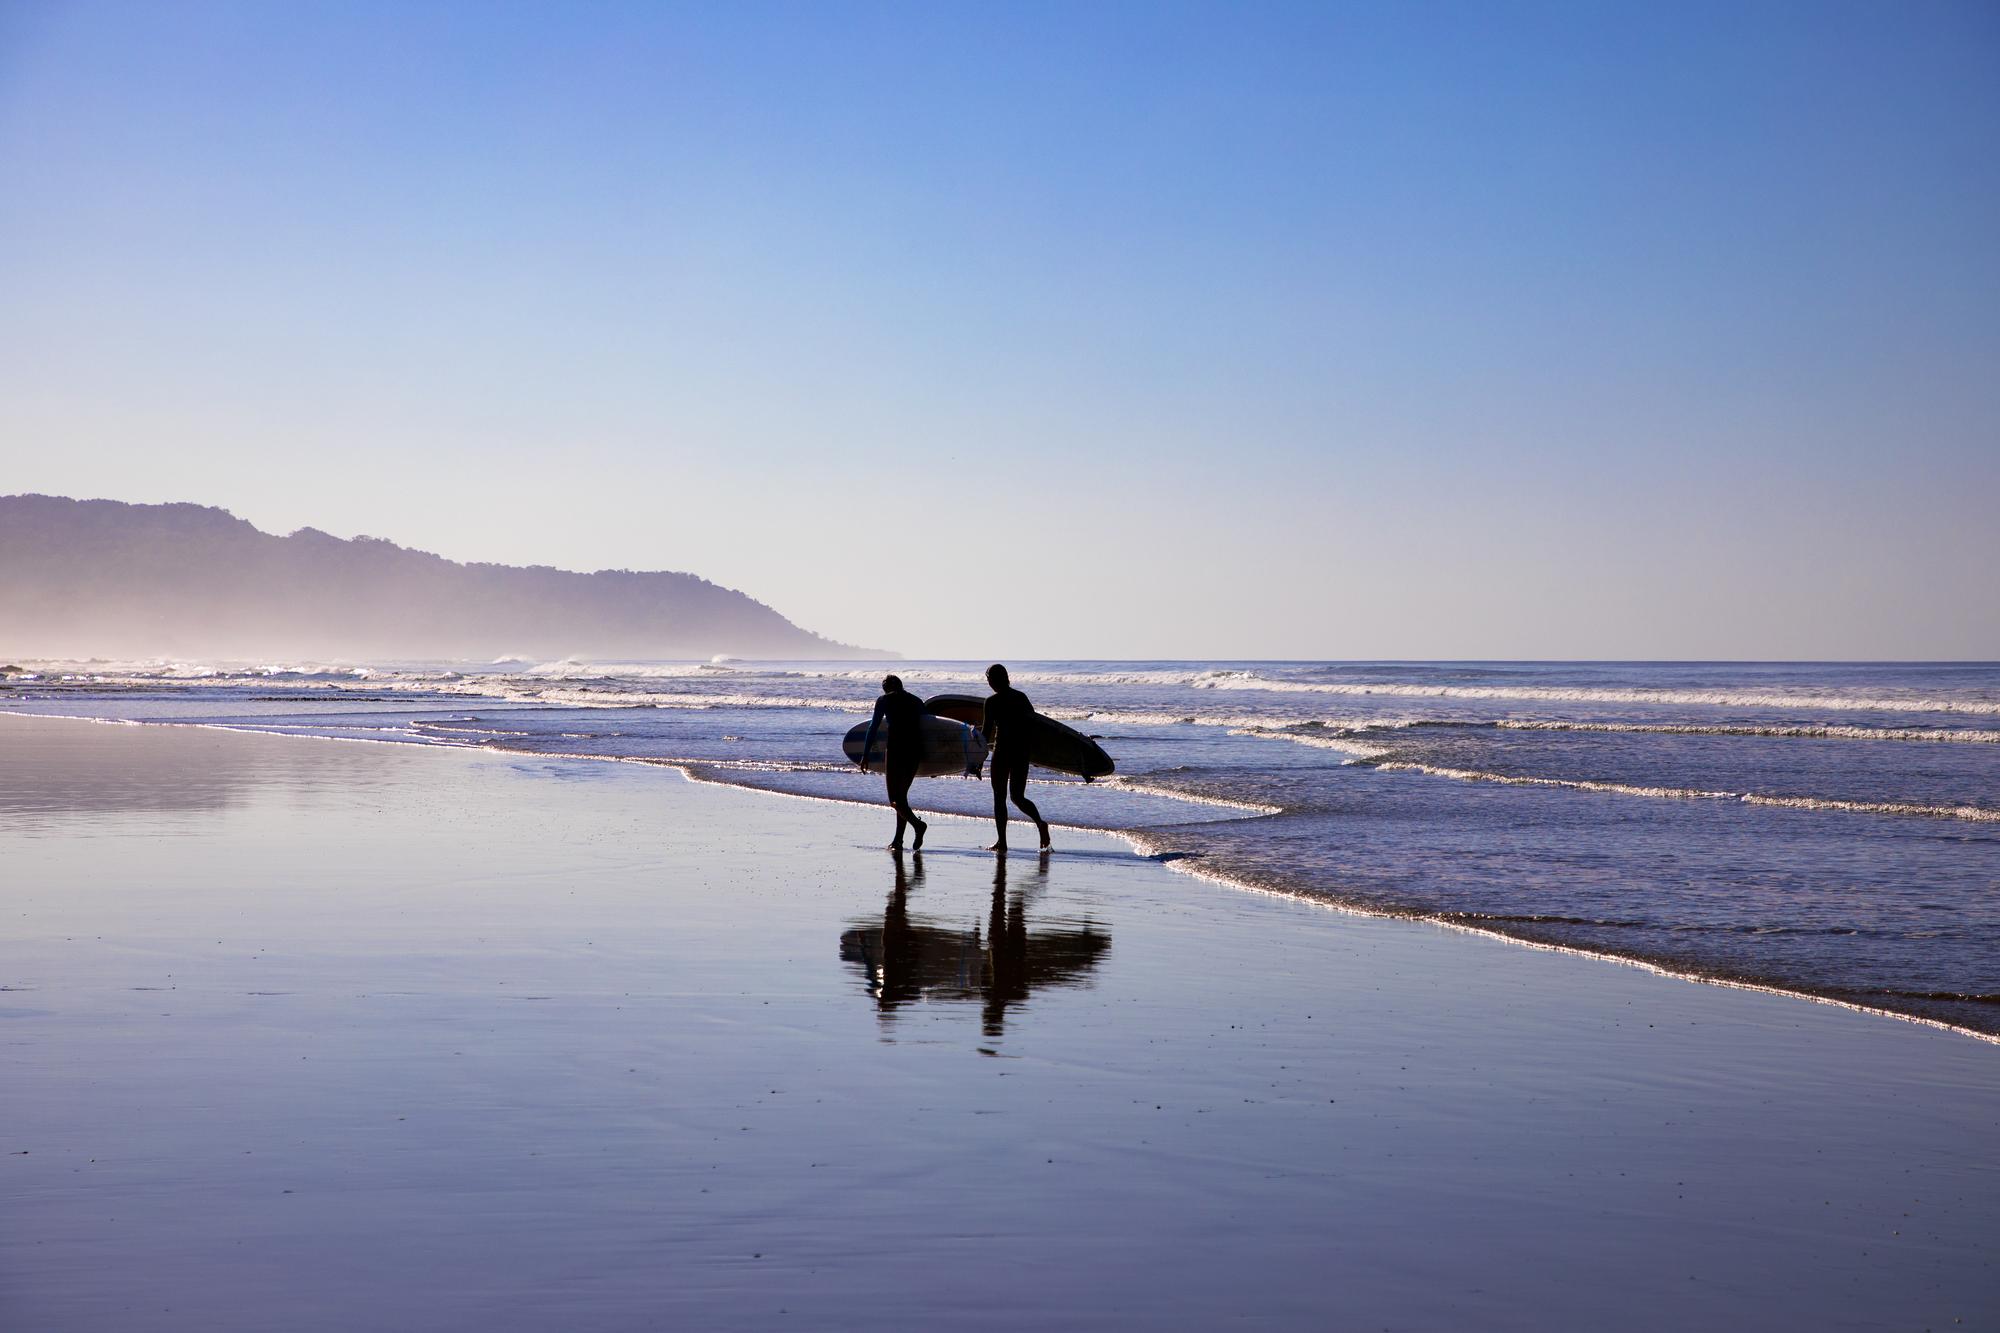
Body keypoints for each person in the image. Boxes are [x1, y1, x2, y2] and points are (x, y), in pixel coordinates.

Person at [981, 663, 1050, 852]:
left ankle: (1002, 842)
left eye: (989, 680)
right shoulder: (1021, 697)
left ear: (993, 680)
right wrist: (1036, 753)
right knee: (1018, 797)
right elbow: (1034, 724)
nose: (989, 684)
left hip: (1002, 752)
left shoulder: (992, 702)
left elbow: (986, 735)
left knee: (999, 797)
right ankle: (1040, 823)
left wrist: (974, 746)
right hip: (1021, 752)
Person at [859, 675, 928, 851]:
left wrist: (865, 754)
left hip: (896, 750)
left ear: (886, 688)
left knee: (894, 800)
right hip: (915, 750)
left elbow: (873, 727)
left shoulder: (884, 700)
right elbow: (929, 729)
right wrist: (934, 762)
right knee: (902, 797)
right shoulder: (916, 701)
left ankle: (918, 826)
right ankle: (898, 840)